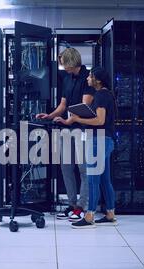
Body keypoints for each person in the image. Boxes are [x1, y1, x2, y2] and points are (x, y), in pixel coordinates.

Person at [36, 48, 94, 221]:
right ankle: (72, 204)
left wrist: (69, 120)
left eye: (65, 64)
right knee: (66, 168)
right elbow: (63, 105)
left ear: (72, 61)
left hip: (82, 129)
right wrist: (50, 115)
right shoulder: (68, 79)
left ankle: (82, 207)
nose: (63, 68)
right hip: (67, 130)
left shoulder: (88, 78)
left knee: (83, 169)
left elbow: (85, 107)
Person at [55, 66, 116, 229]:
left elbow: (100, 121)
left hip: (99, 140)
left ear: (98, 80)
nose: (88, 79)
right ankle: (110, 213)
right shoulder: (105, 94)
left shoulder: (101, 95)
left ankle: (89, 217)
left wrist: (79, 118)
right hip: (106, 140)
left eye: (90, 76)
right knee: (104, 179)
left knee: (92, 179)